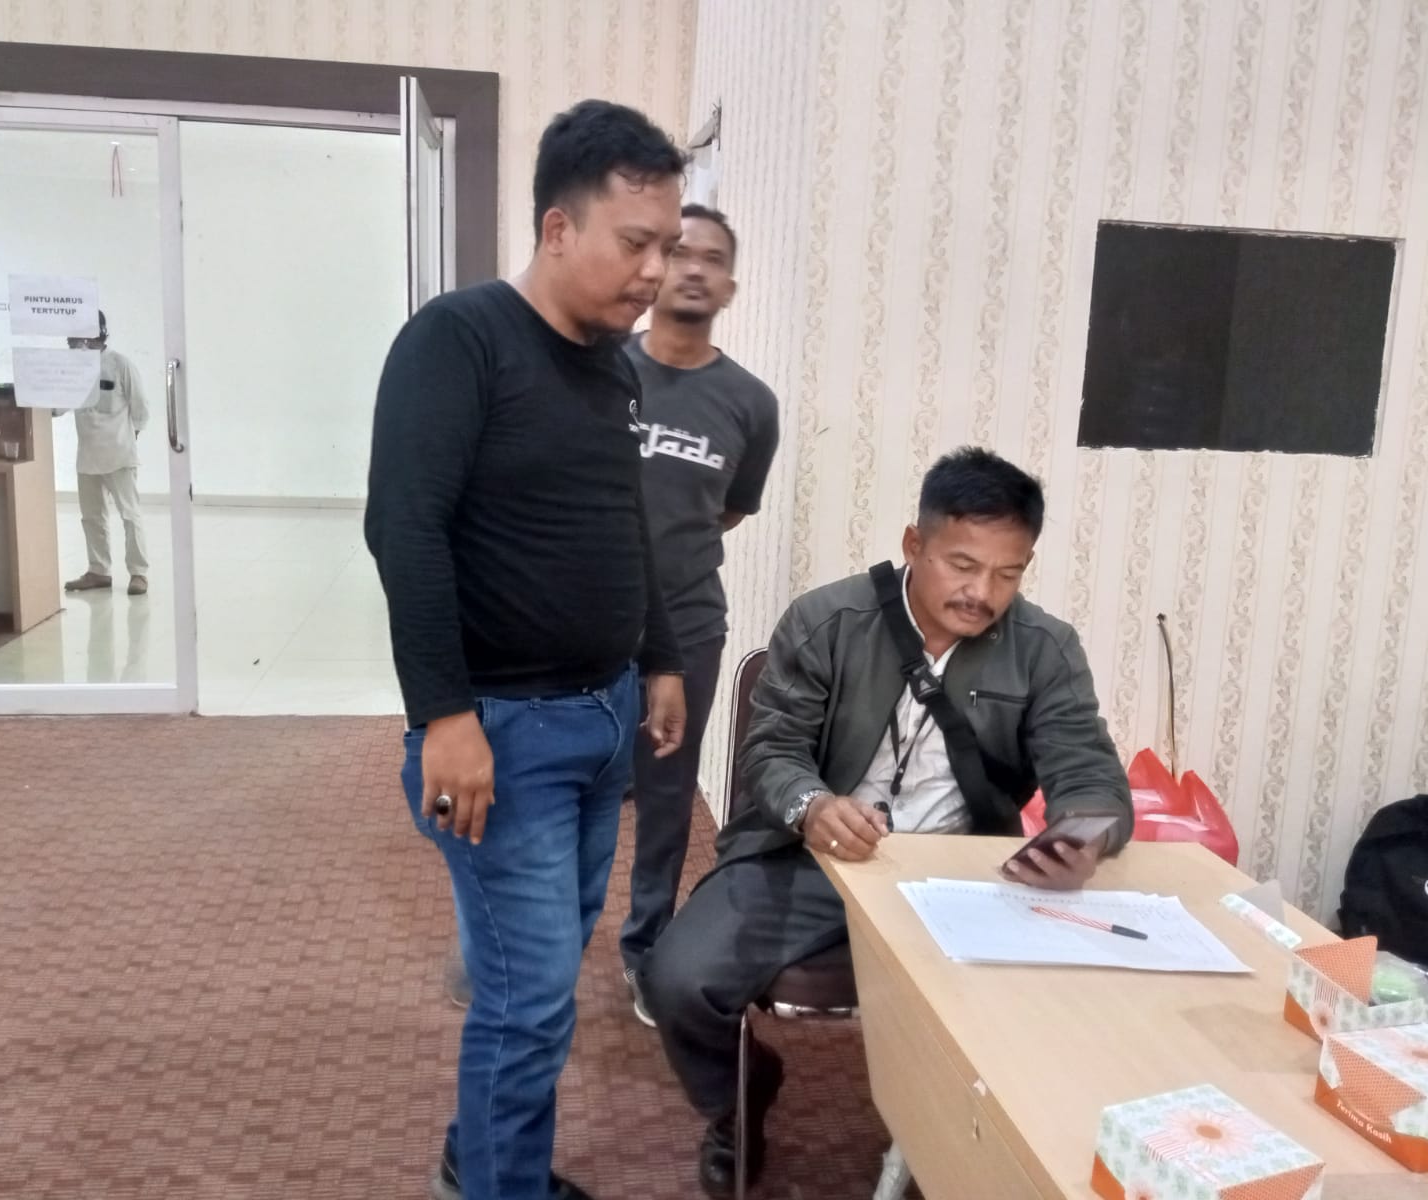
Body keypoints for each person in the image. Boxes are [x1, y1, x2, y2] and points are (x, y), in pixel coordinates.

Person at [641, 447, 1134, 1198]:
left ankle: (960, 1156)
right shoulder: (827, 619)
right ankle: (739, 1101)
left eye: (1007, 574)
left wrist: (1082, 835)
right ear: (914, 544)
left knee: (1061, 1006)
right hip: (810, 856)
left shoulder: (1045, 648)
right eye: (962, 565)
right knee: (678, 981)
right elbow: (772, 750)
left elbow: (1089, 769)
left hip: (965, 871)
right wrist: (813, 806)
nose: (981, 593)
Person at [365, 100, 690, 1200]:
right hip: (501, 731)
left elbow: (624, 521)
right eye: (635, 243)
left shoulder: (613, 365)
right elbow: (403, 528)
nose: (656, 272)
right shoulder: (457, 341)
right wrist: (444, 716)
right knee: (532, 994)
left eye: (667, 245)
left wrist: (658, 655)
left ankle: (483, 1153)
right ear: (558, 228)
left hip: (600, 720)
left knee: (539, 968)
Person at [618, 204, 780, 1025]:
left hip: (686, 626)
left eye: (710, 258)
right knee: (566, 782)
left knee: (666, 792)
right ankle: (539, 946)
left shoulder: (750, 402)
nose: (690, 267)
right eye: (676, 250)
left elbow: (730, 510)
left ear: (728, 287)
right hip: (581, 619)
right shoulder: (599, 370)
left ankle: (645, 950)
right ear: (649, 266)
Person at [62, 311, 149, 596]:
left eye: (74, 336)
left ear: (93, 334)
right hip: (87, 457)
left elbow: (141, 410)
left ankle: (138, 573)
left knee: (129, 515)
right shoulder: (73, 368)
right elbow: (59, 406)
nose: (70, 341)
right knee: (91, 517)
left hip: (120, 456)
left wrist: (127, 439)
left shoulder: (120, 364)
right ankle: (98, 570)